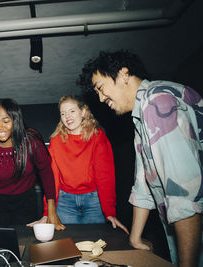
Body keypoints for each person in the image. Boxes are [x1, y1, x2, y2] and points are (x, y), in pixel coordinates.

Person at [77, 50, 202, 267]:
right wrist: (135, 238)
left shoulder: (157, 101)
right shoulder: (141, 114)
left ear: (124, 74)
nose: (100, 97)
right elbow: (144, 183)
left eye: (100, 87)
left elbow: (184, 197)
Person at [31, 95, 128, 234]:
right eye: (63, 113)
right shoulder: (56, 141)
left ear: (83, 112)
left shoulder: (97, 136)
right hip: (65, 202)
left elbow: (105, 176)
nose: (67, 117)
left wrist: (110, 211)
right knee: (67, 245)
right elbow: (52, 179)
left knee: (96, 243)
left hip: (93, 201)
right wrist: (48, 212)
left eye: (72, 111)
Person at [0, 98, 65, 230]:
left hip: (26, 202)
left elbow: (46, 173)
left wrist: (52, 212)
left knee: (28, 244)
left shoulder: (31, 142)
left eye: (6, 121)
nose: (0, 127)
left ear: (15, 121)